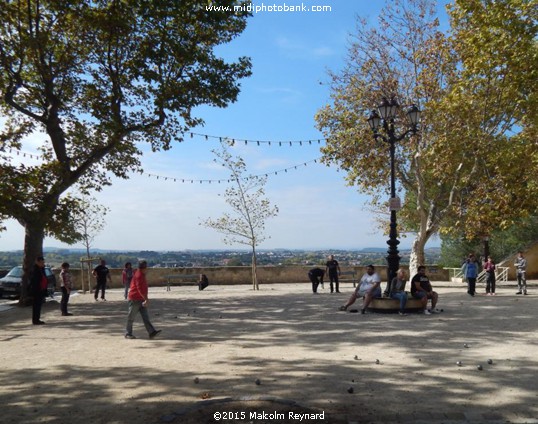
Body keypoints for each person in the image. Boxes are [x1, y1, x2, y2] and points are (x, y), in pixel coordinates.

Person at [125, 260, 161, 340]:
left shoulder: (141, 274)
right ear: (144, 268)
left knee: (145, 317)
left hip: (141, 299)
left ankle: (151, 332)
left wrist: (145, 298)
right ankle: (128, 333)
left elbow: (143, 288)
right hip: (134, 299)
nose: (147, 268)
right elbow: (140, 289)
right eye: (146, 267)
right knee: (131, 317)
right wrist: (146, 299)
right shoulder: (139, 275)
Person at [30, 256, 48, 325]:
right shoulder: (34, 269)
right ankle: (35, 320)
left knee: (39, 305)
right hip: (37, 290)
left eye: (43, 262)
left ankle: (37, 319)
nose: (43, 263)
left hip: (41, 290)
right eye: (41, 262)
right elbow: (34, 281)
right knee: (36, 306)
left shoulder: (42, 269)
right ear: (37, 262)